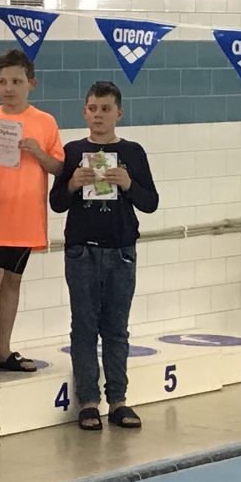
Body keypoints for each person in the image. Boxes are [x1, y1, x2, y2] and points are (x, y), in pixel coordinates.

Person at [50, 81, 158, 430]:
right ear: (85, 112)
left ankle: (119, 400)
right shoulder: (73, 151)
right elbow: (56, 203)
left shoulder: (133, 152)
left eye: (106, 109)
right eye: (93, 109)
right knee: (83, 327)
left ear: (119, 113)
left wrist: (128, 184)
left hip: (121, 251)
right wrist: (71, 184)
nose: (98, 115)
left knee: (116, 328)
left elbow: (151, 202)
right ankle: (88, 402)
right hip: (82, 251)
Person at [0, 48, 64, 381]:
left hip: (26, 216)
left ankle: (4, 351)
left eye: (16, 81)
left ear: (31, 83)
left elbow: (59, 167)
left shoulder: (45, 122)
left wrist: (37, 152)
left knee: (13, 281)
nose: (9, 88)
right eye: (3, 81)